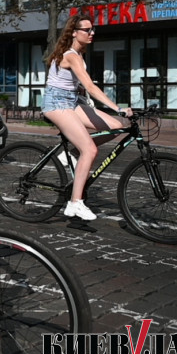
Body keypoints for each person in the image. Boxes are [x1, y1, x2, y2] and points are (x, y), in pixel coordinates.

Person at [42, 14, 130, 221]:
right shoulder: (71, 55)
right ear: (74, 32)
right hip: (56, 105)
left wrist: (80, 91)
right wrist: (118, 107)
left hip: (72, 102)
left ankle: (70, 154)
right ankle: (74, 203)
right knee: (90, 149)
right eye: (87, 30)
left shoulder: (78, 54)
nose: (92, 33)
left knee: (116, 126)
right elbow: (90, 85)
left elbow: (76, 84)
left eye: (92, 30)